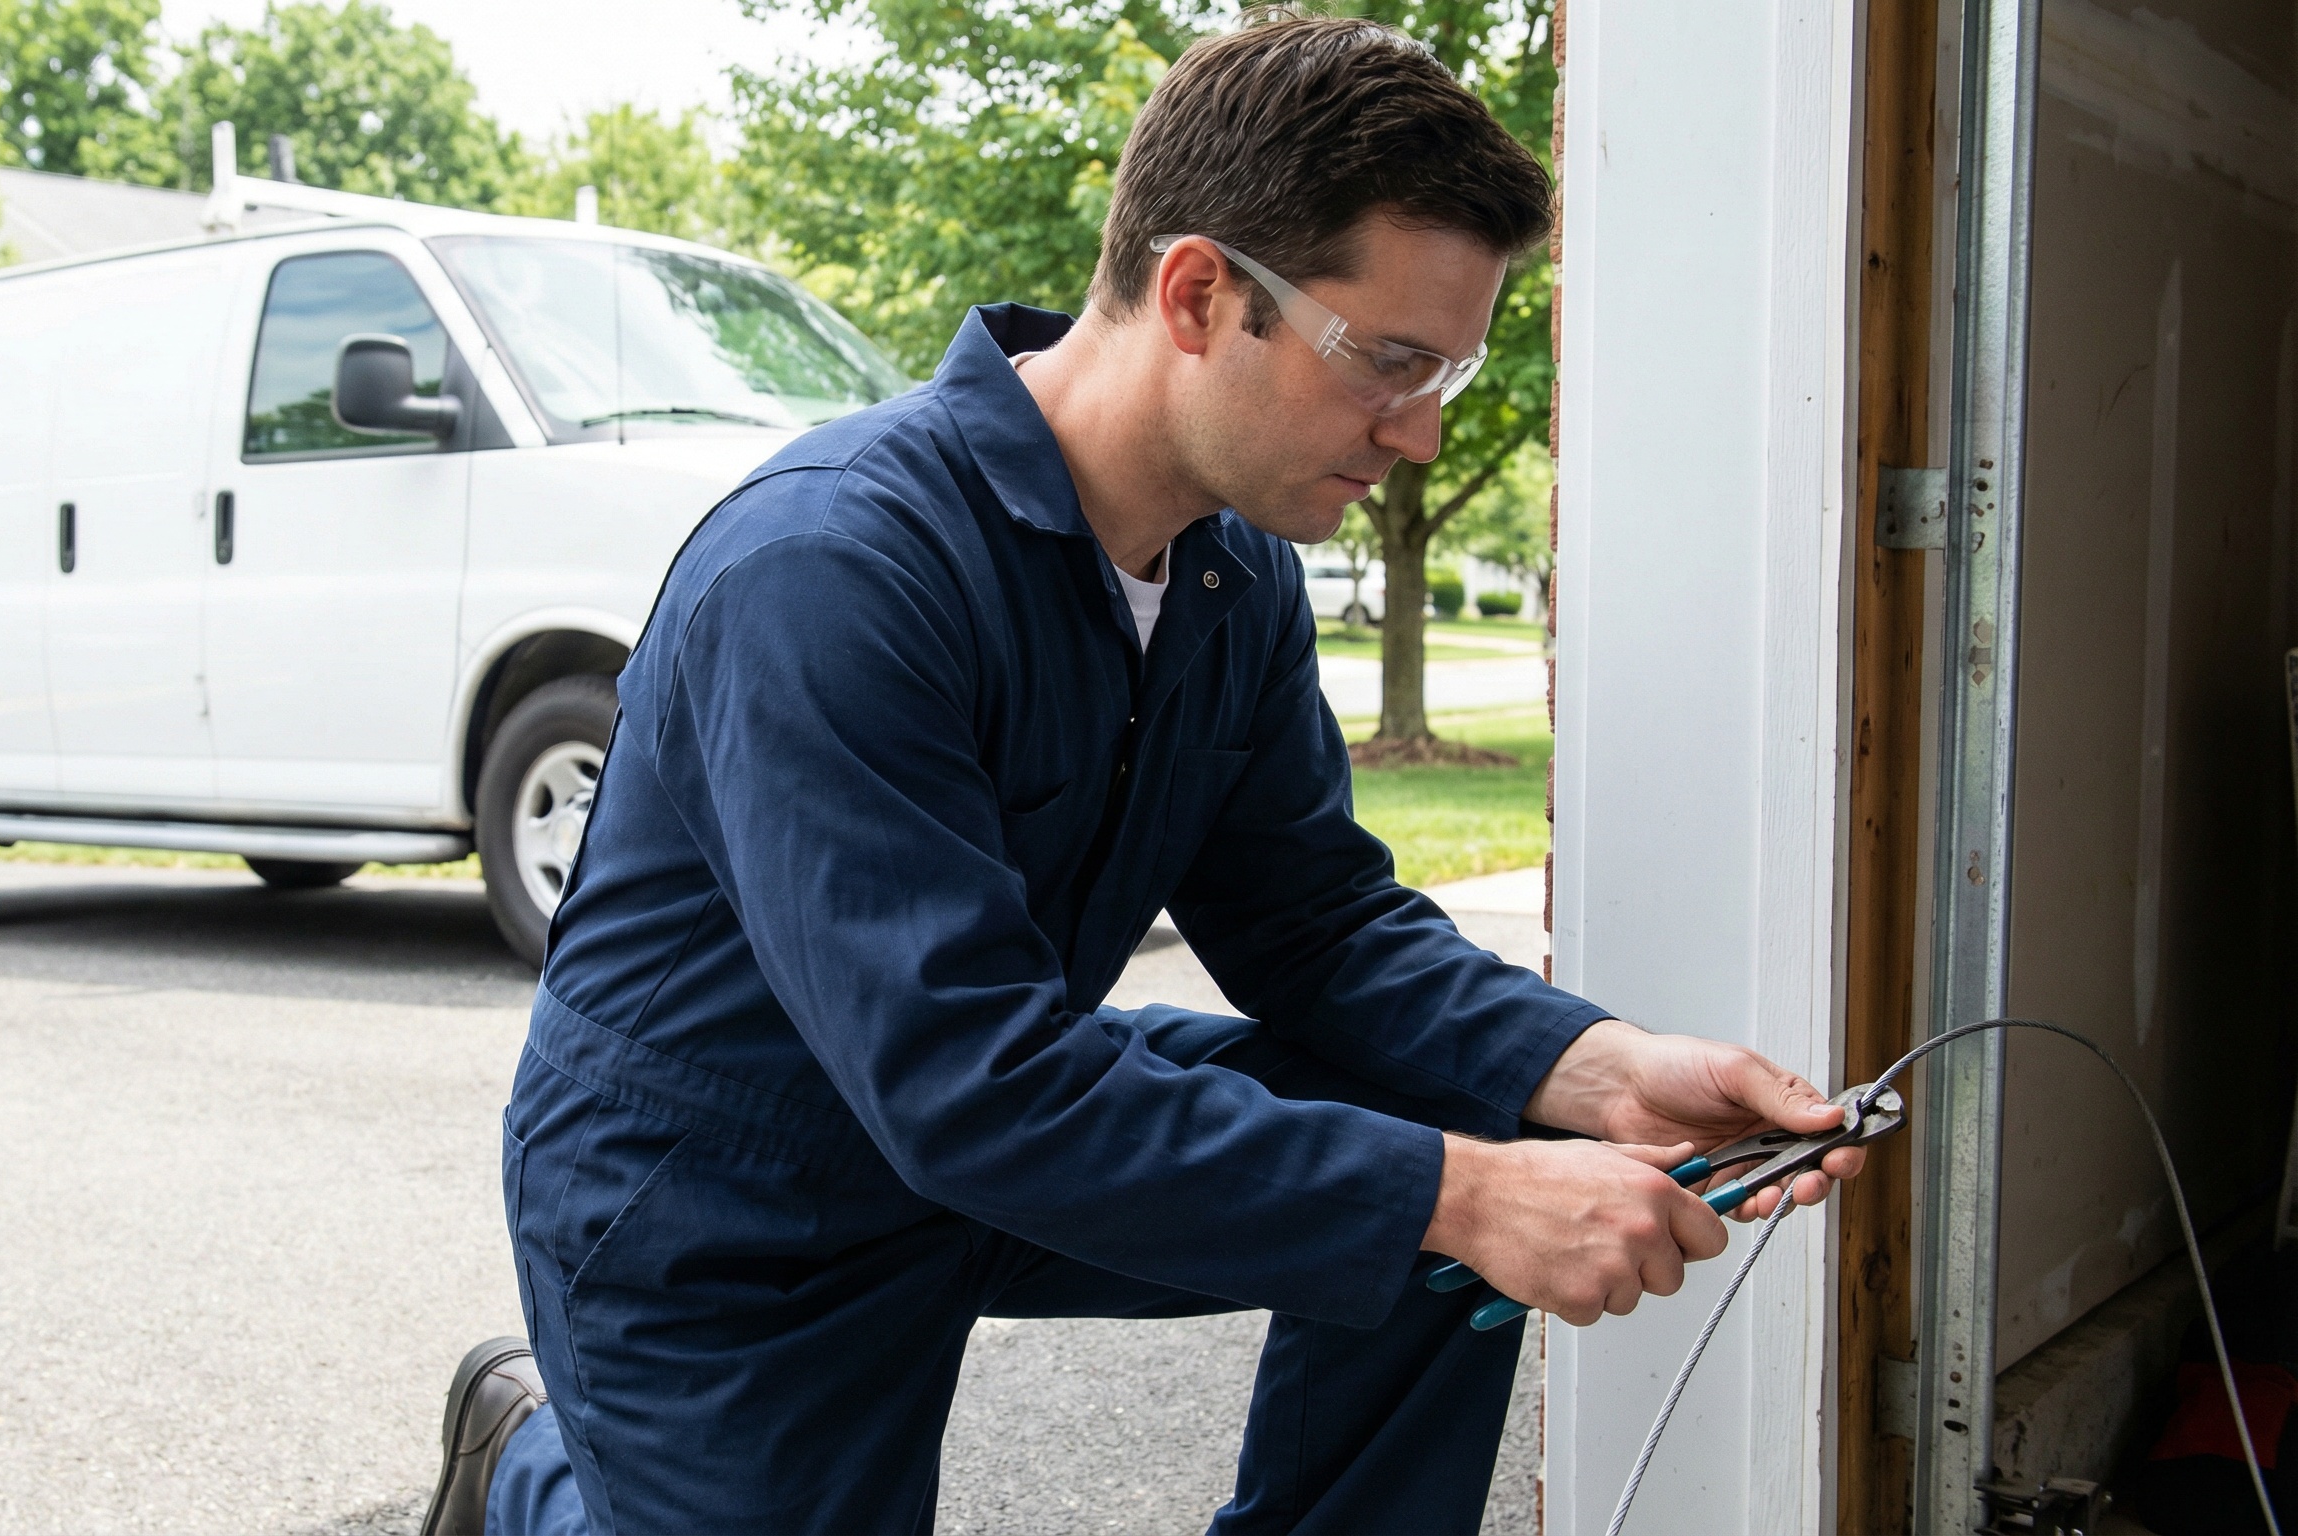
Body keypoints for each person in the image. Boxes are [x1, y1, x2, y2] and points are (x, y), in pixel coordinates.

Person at [419, 16, 1865, 1536]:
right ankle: (534, 1463)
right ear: (1196, 293)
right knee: (1461, 1187)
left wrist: (1593, 1070)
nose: (1425, 432)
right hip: (735, 1199)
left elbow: (1313, 929)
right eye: (1389, 360)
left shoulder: (1232, 578)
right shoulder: (828, 572)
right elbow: (963, 1085)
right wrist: (1466, 1197)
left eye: (1453, 370)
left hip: (1008, 1116)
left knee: (1490, 1128)